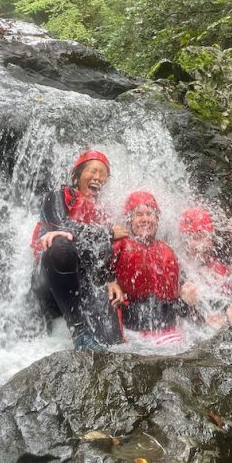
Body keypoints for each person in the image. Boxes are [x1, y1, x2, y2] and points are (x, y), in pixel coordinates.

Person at [31, 150, 128, 350]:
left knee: (115, 345)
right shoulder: (58, 196)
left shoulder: (101, 213)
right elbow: (62, 225)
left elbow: (99, 254)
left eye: (103, 175)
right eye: (93, 171)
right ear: (77, 176)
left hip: (83, 284)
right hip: (51, 279)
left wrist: (109, 279)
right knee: (60, 243)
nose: (98, 178)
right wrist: (107, 233)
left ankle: (94, 335)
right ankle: (79, 331)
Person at [112, 191, 183, 345]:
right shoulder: (120, 245)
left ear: (157, 220)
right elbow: (98, 274)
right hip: (131, 327)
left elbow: (178, 290)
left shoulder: (167, 250)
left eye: (150, 214)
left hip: (166, 327)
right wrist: (110, 283)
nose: (145, 219)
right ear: (129, 220)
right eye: (139, 214)